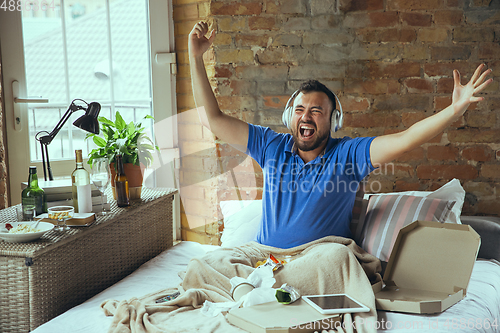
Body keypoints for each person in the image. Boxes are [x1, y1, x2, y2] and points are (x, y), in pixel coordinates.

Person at [189, 21, 493, 249]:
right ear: (288, 115)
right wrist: (195, 57)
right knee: (202, 270)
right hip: (265, 262)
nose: (305, 116)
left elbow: (406, 138)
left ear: (334, 120)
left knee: (338, 259)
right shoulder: (270, 146)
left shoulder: (348, 155)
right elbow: (213, 119)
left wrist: (453, 110)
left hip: (320, 261)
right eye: (299, 109)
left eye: (316, 111)